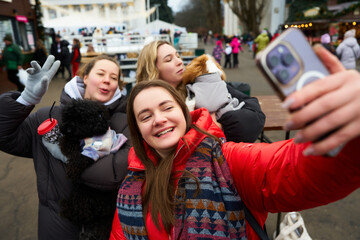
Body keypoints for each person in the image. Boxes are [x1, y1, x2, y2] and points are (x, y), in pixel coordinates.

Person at [110, 44, 360, 239]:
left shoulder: (227, 161)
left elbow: (296, 171)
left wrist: (349, 133)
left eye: (167, 107)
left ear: (186, 113)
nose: (159, 119)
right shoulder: (133, 182)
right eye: (146, 116)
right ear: (137, 130)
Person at [0, 54, 131, 240]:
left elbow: (117, 172)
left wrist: (68, 157)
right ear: (85, 77)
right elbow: (4, 135)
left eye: (114, 77)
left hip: (107, 228)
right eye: (100, 73)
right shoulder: (49, 117)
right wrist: (26, 98)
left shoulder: (124, 123)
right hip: (55, 226)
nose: (107, 81)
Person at [136, 40, 265, 143]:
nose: (180, 62)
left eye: (178, 56)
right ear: (153, 70)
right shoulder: (139, 105)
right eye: (169, 59)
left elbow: (255, 114)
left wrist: (220, 126)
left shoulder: (200, 83)